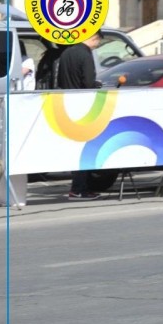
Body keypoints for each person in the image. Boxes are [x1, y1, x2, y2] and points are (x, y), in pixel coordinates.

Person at [58, 33, 103, 200]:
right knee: (85, 148)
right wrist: (97, 85)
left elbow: (60, 79)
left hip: (67, 103)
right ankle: (79, 188)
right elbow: (88, 82)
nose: (97, 46)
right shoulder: (85, 54)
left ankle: (77, 188)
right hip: (83, 105)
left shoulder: (67, 52)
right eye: (98, 42)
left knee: (75, 149)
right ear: (94, 38)